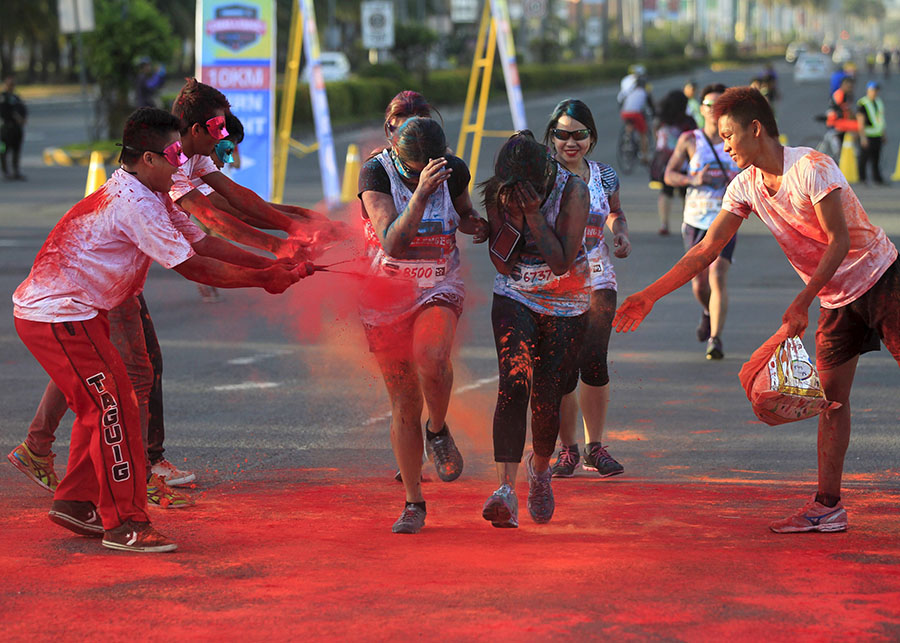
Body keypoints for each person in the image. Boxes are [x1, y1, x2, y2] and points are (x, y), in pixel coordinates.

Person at [11, 107, 312, 552]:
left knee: (108, 404)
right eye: (173, 154)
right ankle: (124, 524)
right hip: (60, 315)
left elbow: (203, 241)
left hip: (79, 314)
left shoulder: (152, 197)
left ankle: (76, 502)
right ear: (147, 159)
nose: (180, 163)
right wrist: (265, 278)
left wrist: (272, 263)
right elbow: (192, 266)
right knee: (115, 409)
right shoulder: (134, 204)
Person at [614, 87, 900, 534]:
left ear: (755, 128)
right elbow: (707, 248)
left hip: (883, 279)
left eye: (728, 135)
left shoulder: (811, 168)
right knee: (831, 403)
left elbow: (839, 240)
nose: (724, 145)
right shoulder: (745, 185)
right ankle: (828, 507)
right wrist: (650, 294)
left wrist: (801, 300)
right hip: (834, 300)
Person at [358, 116, 488, 534]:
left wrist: (478, 224)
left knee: (432, 358)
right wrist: (419, 194)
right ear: (397, 155)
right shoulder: (375, 172)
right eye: (415, 170)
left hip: (438, 282)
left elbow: (465, 214)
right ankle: (414, 501)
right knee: (404, 401)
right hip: (388, 293)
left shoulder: (454, 170)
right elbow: (392, 240)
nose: (425, 174)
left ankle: (438, 429)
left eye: (433, 164)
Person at [480, 131, 591, 528]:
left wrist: (532, 217)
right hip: (516, 294)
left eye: (534, 191)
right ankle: (505, 491)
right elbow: (503, 264)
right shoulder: (500, 192)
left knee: (547, 398)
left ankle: (540, 469)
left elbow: (561, 261)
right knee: (513, 383)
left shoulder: (572, 190)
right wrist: (506, 220)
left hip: (566, 301)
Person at [541, 100, 632, 479]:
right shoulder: (542, 176)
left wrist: (621, 232)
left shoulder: (604, 175)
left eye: (579, 134)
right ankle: (568, 450)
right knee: (562, 368)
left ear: (592, 138)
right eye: (562, 134)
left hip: (598, 278)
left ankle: (596, 448)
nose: (570, 142)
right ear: (552, 138)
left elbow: (615, 211)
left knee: (593, 360)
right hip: (552, 284)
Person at [663, 83, 741, 360]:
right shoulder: (690, 140)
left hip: (726, 220)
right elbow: (669, 175)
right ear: (701, 108)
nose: (713, 110)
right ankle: (708, 312)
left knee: (718, 275)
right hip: (695, 220)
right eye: (709, 105)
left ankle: (715, 339)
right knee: (699, 285)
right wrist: (693, 179)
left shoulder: (737, 140)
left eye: (720, 105)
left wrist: (738, 180)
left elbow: (757, 172)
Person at [653, 90, 696, 236]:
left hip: (663, 160)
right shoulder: (687, 121)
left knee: (666, 191)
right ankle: (688, 222)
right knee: (685, 192)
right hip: (682, 161)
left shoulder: (661, 120)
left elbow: (656, 135)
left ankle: (664, 223)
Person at [618, 67, 654, 163]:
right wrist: (654, 113)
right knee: (643, 133)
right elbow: (650, 105)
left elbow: (621, 100)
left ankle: (627, 138)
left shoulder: (629, 89)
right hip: (636, 113)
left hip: (624, 112)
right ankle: (644, 155)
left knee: (629, 124)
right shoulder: (644, 92)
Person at [857, 80, 887, 185]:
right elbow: (860, 121)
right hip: (867, 134)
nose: (874, 92)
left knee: (876, 158)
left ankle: (877, 178)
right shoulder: (863, 103)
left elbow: (880, 119)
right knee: (864, 158)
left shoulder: (878, 102)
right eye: (872, 90)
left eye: (876, 90)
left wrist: (883, 133)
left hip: (877, 134)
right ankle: (862, 178)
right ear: (868, 91)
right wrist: (863, 137)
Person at [0, 74, 27, 180]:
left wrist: (23, 119)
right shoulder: (3, 98)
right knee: (3, 151)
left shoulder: (16, 97)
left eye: (13, 84)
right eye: (10, 84)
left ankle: (16, 171)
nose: (12, 86)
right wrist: (15, 117)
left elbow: (23, 109)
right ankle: (6, 172)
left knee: (16, 151)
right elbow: (4, 112)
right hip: (5, 130)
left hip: (16, 129)